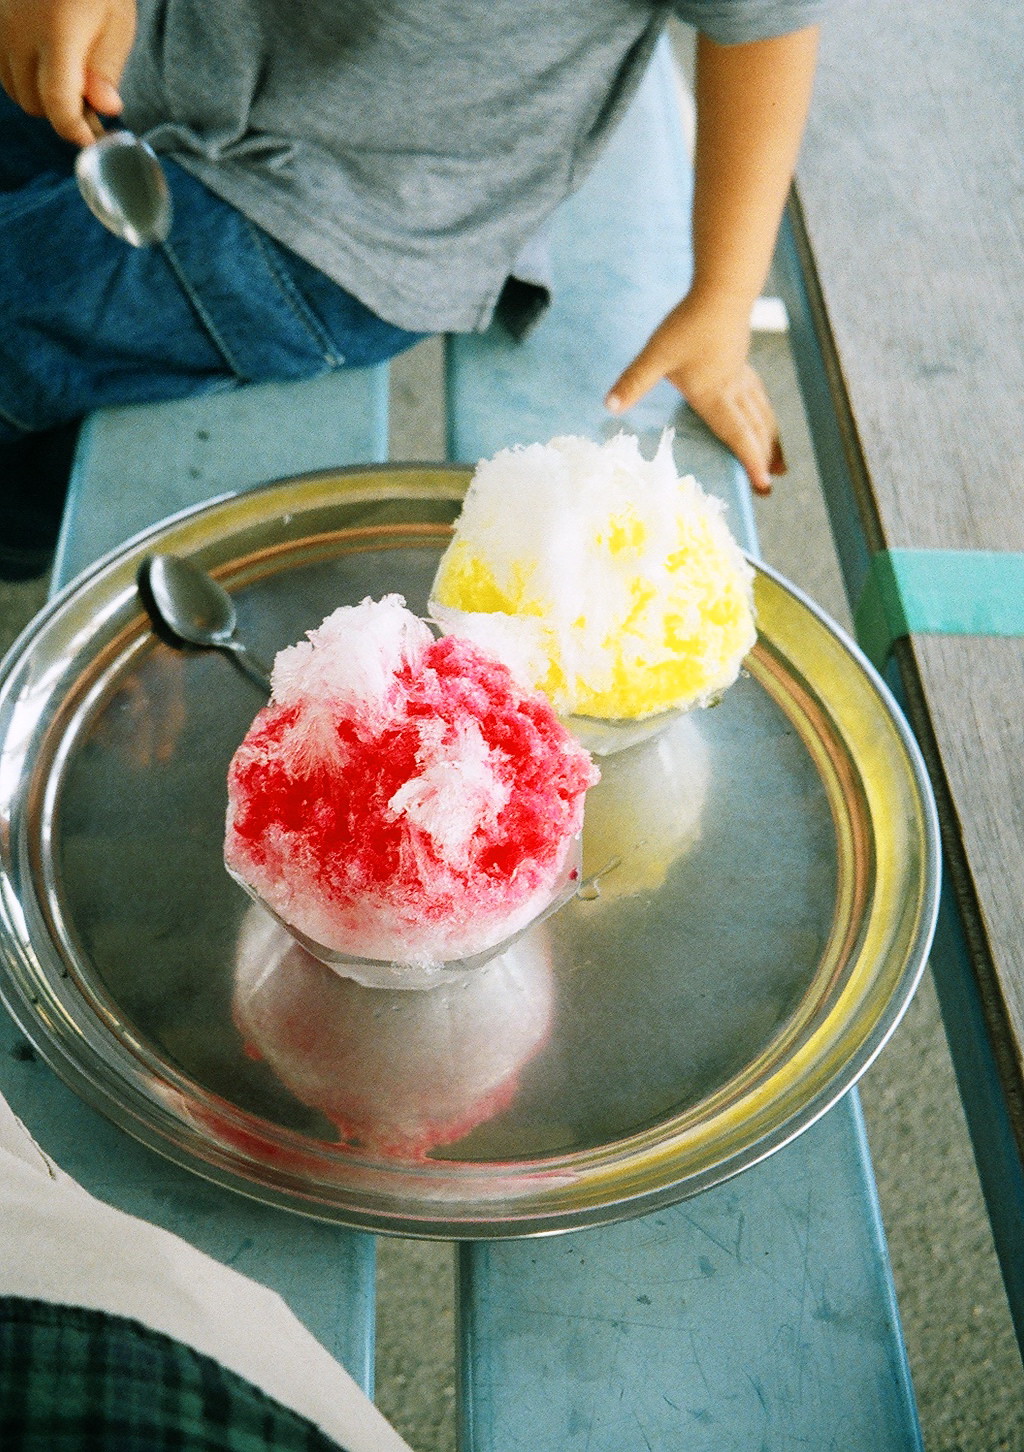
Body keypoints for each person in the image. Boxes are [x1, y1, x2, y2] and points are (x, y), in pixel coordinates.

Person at [0, 0, 825, 579]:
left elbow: (770, 27)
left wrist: (722, 302)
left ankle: (23, 526)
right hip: (164, 41)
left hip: (349, 212)